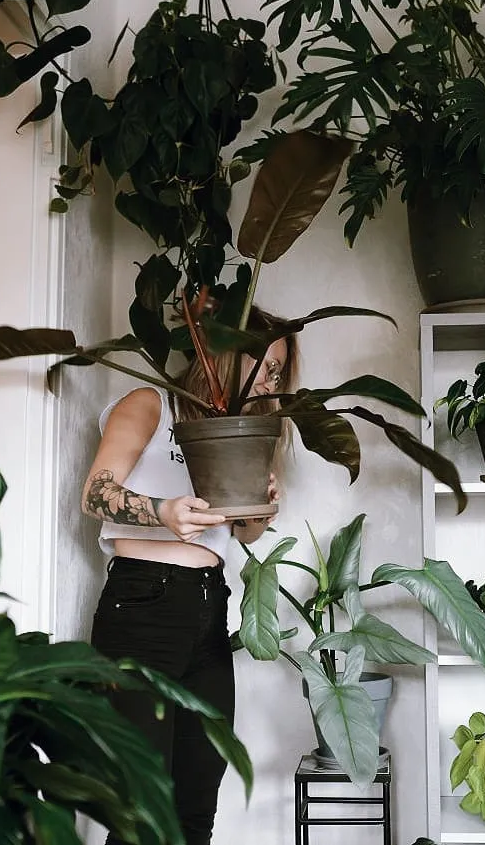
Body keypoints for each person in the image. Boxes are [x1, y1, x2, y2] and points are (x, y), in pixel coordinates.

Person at [86, 309, 298, 845]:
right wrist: (163, 512)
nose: (268, 383)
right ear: (227, 355)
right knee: (138, 810)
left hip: (210, 611)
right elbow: (95, 493)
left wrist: (259, 513)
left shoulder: (241, 433)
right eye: (261, 366)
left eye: (277, 373)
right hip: (142, 606)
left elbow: (241, 536)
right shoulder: (149, 404)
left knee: (197, 803)